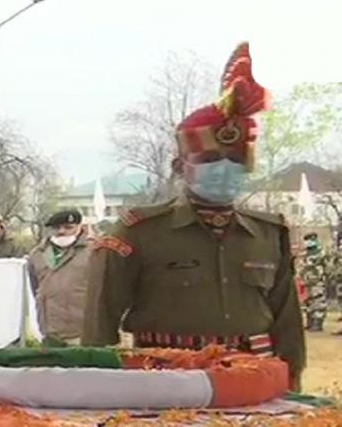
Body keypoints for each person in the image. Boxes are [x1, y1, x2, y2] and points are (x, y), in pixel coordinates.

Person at [83, 42, 305, 387]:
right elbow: (99, 324)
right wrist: (98, 389)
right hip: (167, 385)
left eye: (236, 163)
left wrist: (292, 384)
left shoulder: (268, 234)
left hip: (254, 382)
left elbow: (287, 321)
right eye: (210, 162)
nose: (224, 172)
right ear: (180, 166)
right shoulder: (137, 232)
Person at [26, 209, 93, 344]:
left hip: (83, 330)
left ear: (79, 227)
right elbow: (35, 287)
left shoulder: (94, 251)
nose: (61, 231)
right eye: (56, 228)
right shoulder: (37, 254)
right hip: (50, 331)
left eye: (68, 227)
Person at [298, 233, 328, 332]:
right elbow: (303, 267)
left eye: (309, 240)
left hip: (317, 281)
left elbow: (325, 266)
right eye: (306, 240)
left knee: (318, 302)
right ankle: (310, 322)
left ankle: (318, 324)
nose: (307, 242)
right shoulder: (306, 253)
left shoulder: (320, 252)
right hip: (307, 282)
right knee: (309, 303)